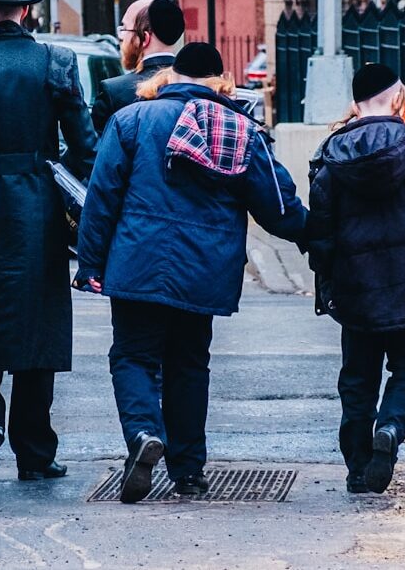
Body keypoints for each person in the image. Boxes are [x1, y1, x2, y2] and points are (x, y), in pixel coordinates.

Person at [74, 43, 306, 503]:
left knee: (133, 357)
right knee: (188, 365)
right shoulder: (240, 128)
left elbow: (101, 200)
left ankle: (142, 433)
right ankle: (189, 472)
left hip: (137, 263)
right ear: (222, 82)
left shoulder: (133, 120)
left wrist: (90, 263)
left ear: (171, 77)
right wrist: (322, 235)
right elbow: (277, 207)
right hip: (204, 269)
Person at [0, 0, 97, 481]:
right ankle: (34, 449)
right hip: (38, 202)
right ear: (26, 10)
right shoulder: (54, 63)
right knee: (38, 324)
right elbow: (84, 147)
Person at [306, 63, 405, 494]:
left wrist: (328, 284)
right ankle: (392, 428)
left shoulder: (332, 157)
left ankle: (359, 467)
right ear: (397, 98)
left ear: (356, 104)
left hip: (356, 293)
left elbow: (320, 234)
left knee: (357, 380)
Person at [90, 0, 185, 136]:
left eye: (124, 29)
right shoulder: (201, 88)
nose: (121, 37)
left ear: (145, 38)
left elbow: (93, 152)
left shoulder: (114, 92)